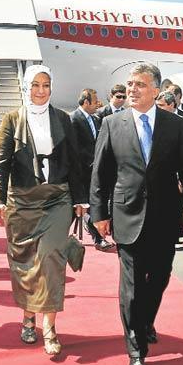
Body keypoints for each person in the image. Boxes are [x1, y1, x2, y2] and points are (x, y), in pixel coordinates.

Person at [90, 62, 183, 365]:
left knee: (160, 278)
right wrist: (99, 214)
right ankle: (136, 351)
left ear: (155, 88)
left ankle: (145, 320)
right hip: (127, 215)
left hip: (166, 216)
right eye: (129, 83)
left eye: (139, 84)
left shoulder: (174, 125)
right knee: (133, 286)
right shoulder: (112, 124)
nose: (132, 89)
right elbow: (100, 173)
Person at [0, 64, 87, 356]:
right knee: (25, 264)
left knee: (49, 258)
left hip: (57, 199)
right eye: (35, 85)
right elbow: (0, 164)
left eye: (46, 85)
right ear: (26, 87)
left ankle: (49, 326)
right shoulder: (12, 119)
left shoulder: (64, 119)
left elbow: (75, 161)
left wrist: (81, 199)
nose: (41, 91)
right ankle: (28, 317)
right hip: (21, 201)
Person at [70, 88, 114, 251]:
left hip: (94, 171)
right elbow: (74, 148)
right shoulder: (74, 119)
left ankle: (97, 237)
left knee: (91, 205)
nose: (98, 104)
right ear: (86, 102)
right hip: (81, 173)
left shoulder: (95, 119)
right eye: (95, 101)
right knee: (78, 208)